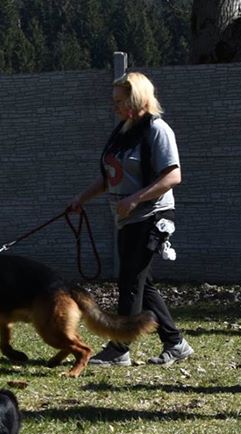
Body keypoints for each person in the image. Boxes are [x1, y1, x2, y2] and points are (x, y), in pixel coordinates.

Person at [69, 71, 193, 367]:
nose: (114, 106)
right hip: (127, 218)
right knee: (142, 283)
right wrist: (81, 199)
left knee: (130, 282)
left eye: (119, 100)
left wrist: (135, 199)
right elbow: (110, 176)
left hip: (151, 216)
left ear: (137, 98)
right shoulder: (123, 130)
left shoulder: (157, 130)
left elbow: (173, 176)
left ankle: (119, 348)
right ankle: (175, 343)